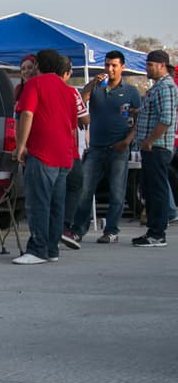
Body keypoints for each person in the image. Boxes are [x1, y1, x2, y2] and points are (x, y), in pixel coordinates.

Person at [12, 48, 80, 265]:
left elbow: (27, 114)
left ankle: (38, 249)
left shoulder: (34, 84)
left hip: (42, 153)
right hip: (64, 155)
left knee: (38, 202)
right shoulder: (69, 91)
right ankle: (52, 249)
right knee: (56, 204)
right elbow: (72, 126)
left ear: (39, 66)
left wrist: (21, 146)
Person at [70, 50, 140, 244]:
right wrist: (92, 84)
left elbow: (138, 119)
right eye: (107, 65)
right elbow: (80, 103)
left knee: (117, 192)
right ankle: (78, 230)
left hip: (119, 148)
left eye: (114, 65)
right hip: (96, 148)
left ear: (122, 67)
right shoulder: (96, 88)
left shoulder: (131, 91)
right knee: (85, 190)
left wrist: (127, 141)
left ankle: (111, 231)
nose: (110, 69)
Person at [130, 50, 177, 247]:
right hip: (151, 147)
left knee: (156, 190)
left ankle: (157, 233)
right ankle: (153, 230)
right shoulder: (157, 87)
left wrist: (149, 140)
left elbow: (166, 119)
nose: (147, 69)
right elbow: (154, 111)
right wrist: (137, 112)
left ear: (161, 65)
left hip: (157, 147)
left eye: (150, 65)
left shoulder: (166, 87)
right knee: (150, 188)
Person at [60, 57, 90, 248]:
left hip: (43, 151)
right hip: (69, 150)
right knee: (75, 185)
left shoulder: (35, 89)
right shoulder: (71, 92)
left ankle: (49, 228)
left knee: (51, 190)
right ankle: (64, 226)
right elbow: (85, 119)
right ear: (68, 73)